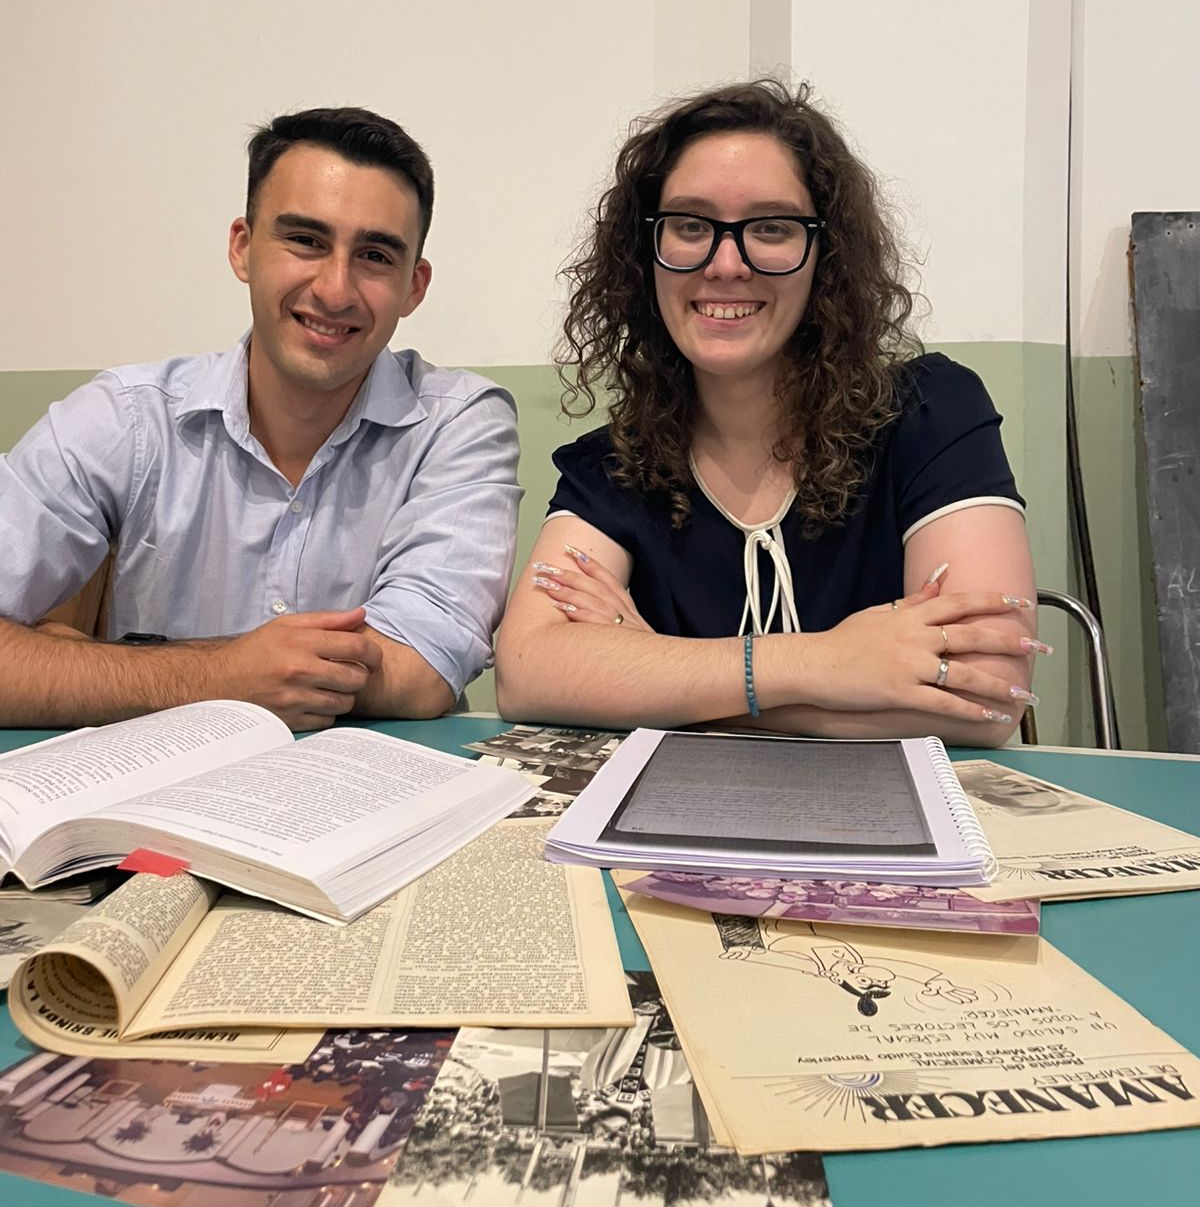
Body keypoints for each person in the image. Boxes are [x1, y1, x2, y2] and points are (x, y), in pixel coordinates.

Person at [495, 79, 1045, 743]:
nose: (726, 263)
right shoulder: (610, 467)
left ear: (827, 256)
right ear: (645, 256)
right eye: (691, 226)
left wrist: (660, 680)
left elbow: (985, 698)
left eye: (772, 228)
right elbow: (526, 672)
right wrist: (829, 663)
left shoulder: (933, 414)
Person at [0, 106, 521, 729]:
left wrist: (101, 665)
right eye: (305, 240)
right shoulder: (125, 418)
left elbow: (419, 671)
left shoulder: (460, 424)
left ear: (415, 284)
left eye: (376, 255)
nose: (335, 289)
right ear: (243, 248)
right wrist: (223, 676)